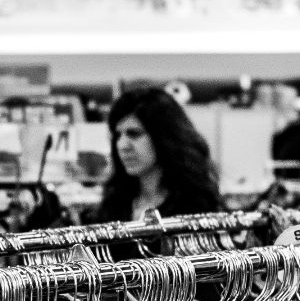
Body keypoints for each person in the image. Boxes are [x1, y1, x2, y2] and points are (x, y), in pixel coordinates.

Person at [95, 86, 222, 224]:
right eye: (118, 135)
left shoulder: (194, 206)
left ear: (163, 137)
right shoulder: (115, 204)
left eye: (134, 134)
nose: (122, 145)